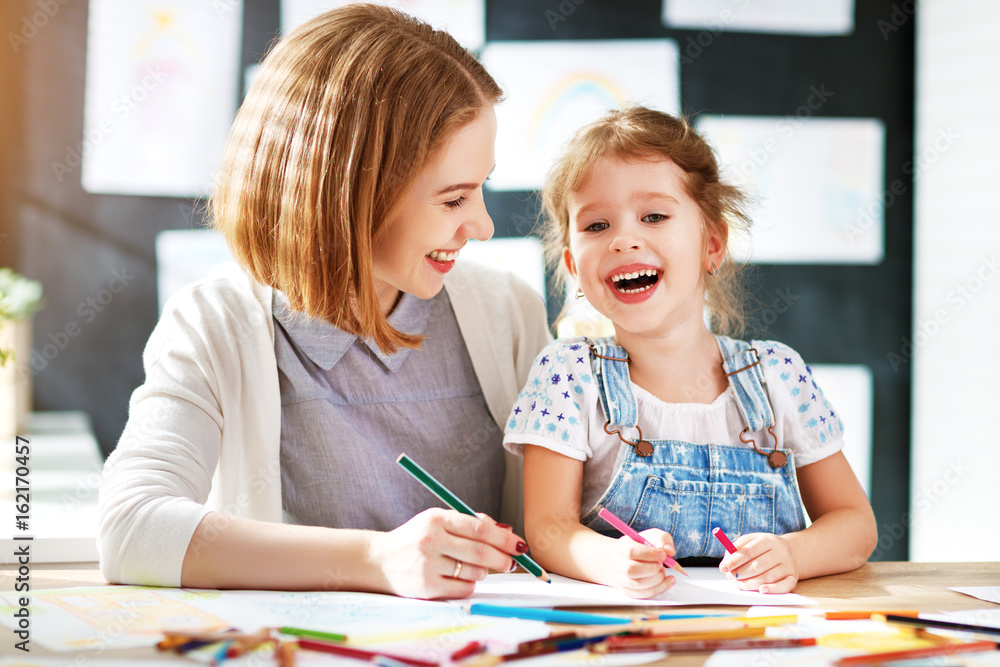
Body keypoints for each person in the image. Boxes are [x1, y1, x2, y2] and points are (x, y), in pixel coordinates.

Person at [98, 4, 550, 600]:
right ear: (354, 193)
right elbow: (131, 530)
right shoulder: (215, 325)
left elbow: (572, 516)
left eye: (481, 187)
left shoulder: (506, 313)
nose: (484, 226)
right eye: (453, 199)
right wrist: (376, 559)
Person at [504, 107, 877, 598]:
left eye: (654, 216)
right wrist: (613, 561)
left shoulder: (777, 375)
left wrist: (795, 554)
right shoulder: (566, 376)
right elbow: (549, 529)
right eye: (596, 226)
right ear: (574, 265)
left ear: (712, 244)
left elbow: (855, 525)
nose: (624, 239)